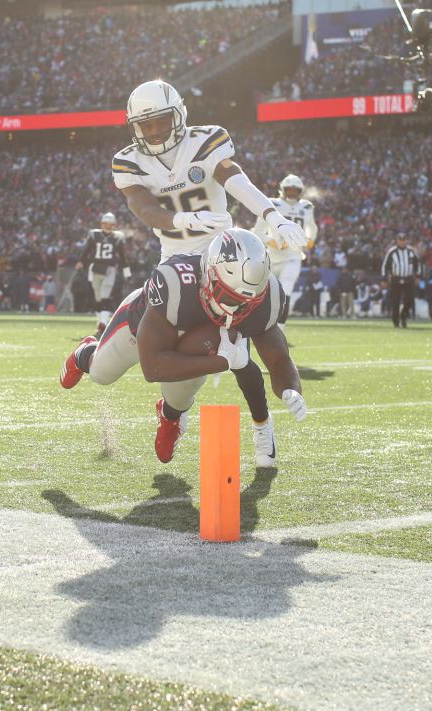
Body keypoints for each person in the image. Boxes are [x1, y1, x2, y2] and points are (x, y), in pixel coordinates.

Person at [107, 80, 307, 465]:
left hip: (224, 255)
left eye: (160, 120)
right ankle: (169, 411)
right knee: (188, 352)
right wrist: (183, 218)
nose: (154, 131)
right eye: (145, 125)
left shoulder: (206, 140)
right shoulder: (128, 161)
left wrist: (271, 213)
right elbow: (145, 210)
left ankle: (261, 426)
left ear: (179, 114)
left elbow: (235, 179)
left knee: (244, 342)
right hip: (177, 263)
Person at [59, 229, 307, 467]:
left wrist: (291, 389)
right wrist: (222, 361)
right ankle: (85, 354)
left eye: (245, 303)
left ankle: (170, 414)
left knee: (185, 388)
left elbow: (278, 360)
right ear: (209, 275)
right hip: (141, 329)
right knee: (102, 374)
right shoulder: (174, 282)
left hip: (197, 343)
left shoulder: (267, 298)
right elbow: (153, 367)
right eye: (229, 298)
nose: (235, 311)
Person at [251, 173, 318, 333]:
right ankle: (255, 328)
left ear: (300, 191)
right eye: (289, 190)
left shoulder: (306, 207)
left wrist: (310, 240)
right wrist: (271, 241)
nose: (292, 193)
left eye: (295, 190)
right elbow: (258, 230)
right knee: (260, 294)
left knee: (285, 291)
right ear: (283, 189)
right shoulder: (272, 203)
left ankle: (280, 332)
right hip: (271, 257)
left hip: (293, 257)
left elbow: (313, 227)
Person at [76, 212, 133, 336]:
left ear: (114, 225)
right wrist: (81, 261)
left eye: (110, 224)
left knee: (104, 296)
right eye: (105, 223)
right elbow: (87, 250)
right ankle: (100, 322)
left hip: (109, 269)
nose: (107, 226)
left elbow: (123, 257)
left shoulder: (117, 237)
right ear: (101, 223)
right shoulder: (94, 235)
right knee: (98, 298)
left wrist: (127, 273)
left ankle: (103, 324)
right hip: (95, 268)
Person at [381, 233, 420, 328]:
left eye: (403, 240)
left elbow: (417, 264)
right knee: (395, 301)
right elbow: (385, 266)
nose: (402, 242)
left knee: (410, 299)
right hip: (396, 278)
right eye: (400, 240)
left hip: (408, 278)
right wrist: (383, 279)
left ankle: (403, 315)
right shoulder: (392, 251)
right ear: (397, 240)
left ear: (406, 240)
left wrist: (418, 276)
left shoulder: (411, 251)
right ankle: (396, 321)